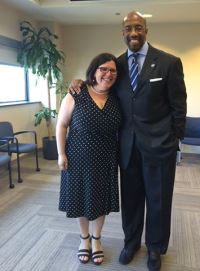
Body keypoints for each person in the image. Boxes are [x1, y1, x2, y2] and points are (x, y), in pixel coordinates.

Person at [69, 11, 187, 271]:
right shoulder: (118, 66)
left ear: (146, 30)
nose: (133, 33)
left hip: (160, 146)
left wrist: (174, 139)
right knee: (131, 200)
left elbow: (179, 106)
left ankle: (155, 248)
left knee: (158, 199)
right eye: (128, 29)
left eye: (138, 27)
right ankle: (131, 242)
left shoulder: (168, 62)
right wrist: (78, 81)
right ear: (122, 33)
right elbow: (98, 84)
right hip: (126, 147)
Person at [56, 53, 121, 265]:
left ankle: (97, 239)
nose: (107, 74)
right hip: (78, 159)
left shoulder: (117, 97)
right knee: (80, 200)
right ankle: (84, 239)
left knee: (101, 202)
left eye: (112, 70)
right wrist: (61, 153)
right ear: (94, 70)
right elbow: (62, 125)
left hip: (106, 159)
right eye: (103, 68)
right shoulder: (77, 93)